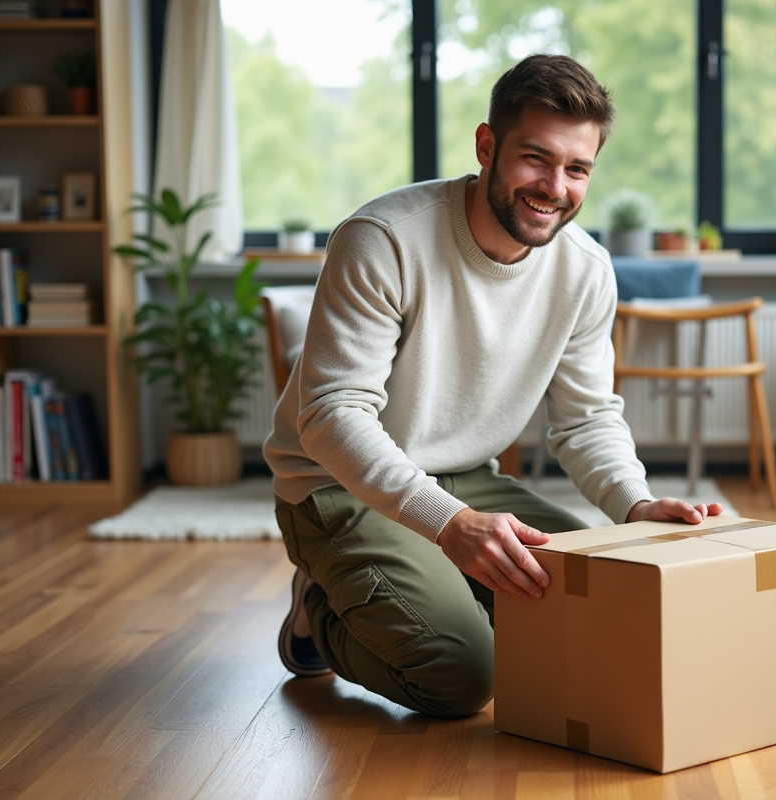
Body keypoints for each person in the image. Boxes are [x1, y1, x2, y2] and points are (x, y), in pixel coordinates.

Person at [265, 54, 722, 717]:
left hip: (461, 475)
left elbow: (587, 418)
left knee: (606, 609)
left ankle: (415, 581)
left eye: (577, 169)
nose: (554, 187)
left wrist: (634, 505)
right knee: (462, 677)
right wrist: (451, 527)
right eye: (536, 159)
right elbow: (333, 415)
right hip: (335, 484)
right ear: (487, 146)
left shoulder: (586, 270)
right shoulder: (383, 238)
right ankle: (315, 607)